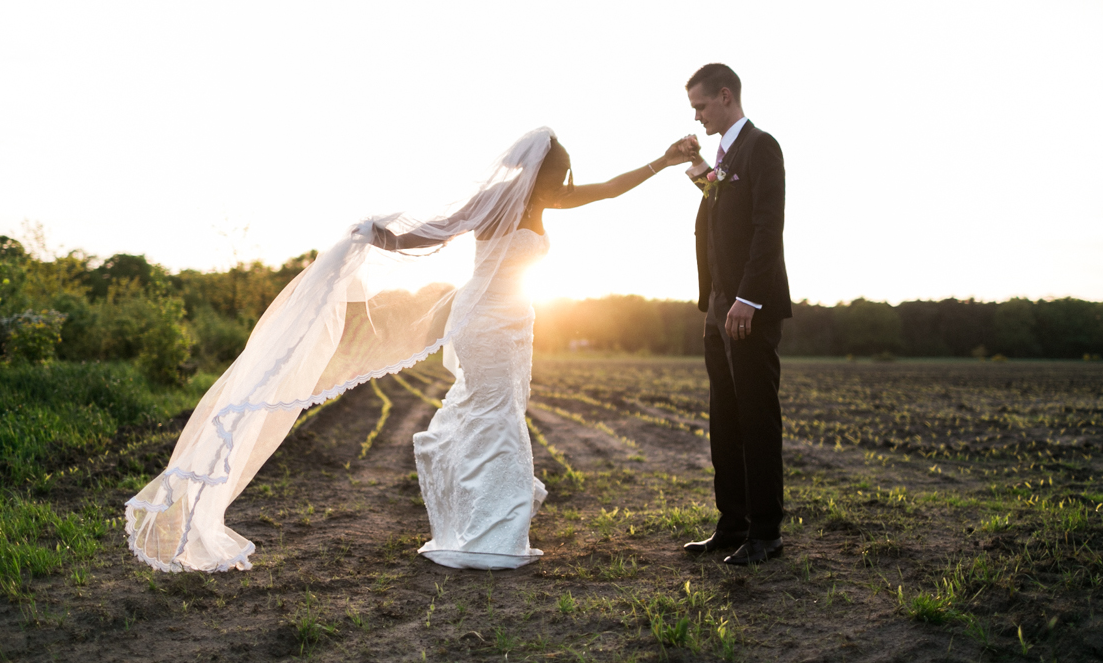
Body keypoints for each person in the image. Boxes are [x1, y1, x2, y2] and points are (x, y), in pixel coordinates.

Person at [125, 127, 694, 573]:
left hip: (509, 324)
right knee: (495, 415)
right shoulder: (513, 200)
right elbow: (439, 229)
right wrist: (380, 236)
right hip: (488, 323)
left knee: (491, 413)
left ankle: (485, 526)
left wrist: (662, 163)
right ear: (549, 171)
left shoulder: (538, 197)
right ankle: (497, 536)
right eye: (563, 172)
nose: (567, 181)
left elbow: (606, 190)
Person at [678, 64, 793, 566]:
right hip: (718, 306)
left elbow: (768, 228)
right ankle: (733, 524)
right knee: (724, 419)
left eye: (701, 106)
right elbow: (724, 212)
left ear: (725, 96)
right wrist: (702, 169)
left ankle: (765, 533)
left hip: (750, 306)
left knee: (756, 419)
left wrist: (748, 298)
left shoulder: (761, 147)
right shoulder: (726, 155)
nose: (698, 116)